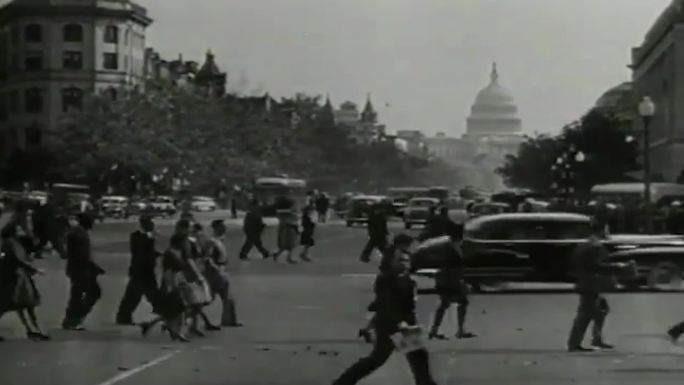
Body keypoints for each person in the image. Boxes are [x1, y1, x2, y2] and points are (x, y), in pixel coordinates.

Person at [333, 234, 438, 385]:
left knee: (416, 355)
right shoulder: (388, 277)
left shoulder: (399, 271)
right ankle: (343, 382)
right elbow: (388, 303)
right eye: (403, 260)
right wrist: (400, 323)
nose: (406, 262)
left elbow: (385, 302)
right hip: (392, 324)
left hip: (400, 321)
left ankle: (343, 382)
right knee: (382, 358)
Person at [567, 220, 631, 352]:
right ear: (601, 230)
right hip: (591, 284)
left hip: (586, 282)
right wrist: (618, 267)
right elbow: (597, 266)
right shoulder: (594, 247)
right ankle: (575, 343)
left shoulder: (584, 244)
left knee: (599, 312)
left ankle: (595, 339)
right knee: (586, 314)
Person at [416, 226, 476, 340]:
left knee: (448, 304)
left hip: (449, 279)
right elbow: (451, 265)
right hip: (449, 280)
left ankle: (436, 330)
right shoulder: (451, 249)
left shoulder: (454, 247)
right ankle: (458, 330)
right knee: (457, 303)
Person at [0, 222, 50, 341]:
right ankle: (33, 330)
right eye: (18, 230)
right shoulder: (11, 244)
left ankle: (32, 329)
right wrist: (34, 269)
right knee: (21, 303)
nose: (21, 231)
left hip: (16, 277)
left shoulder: (11, 243)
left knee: (20, 304)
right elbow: (17, 260)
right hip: (14, 278)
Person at [139, 233, 191, 342]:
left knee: (172, 311)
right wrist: (171, 286)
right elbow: (168, 272)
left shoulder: (175, 253)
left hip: (175, 282)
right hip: (171, 284)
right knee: (179, 309)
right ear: (179, 243)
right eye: (184, 242)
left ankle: (151, 325)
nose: (186, 244)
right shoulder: (170, 255)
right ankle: (178, 333)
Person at [116, 216, 161, 325]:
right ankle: (167, 314)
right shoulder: (138, 236)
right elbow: (141, 252)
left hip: (144, 271)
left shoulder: (145, 237)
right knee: (139, 295)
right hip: (140, 271)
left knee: (136, 295)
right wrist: (151, 238)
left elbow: (148, 252)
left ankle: (123, 317)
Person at [62, 213, 104, 331]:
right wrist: (94, 267)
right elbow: (82, 255)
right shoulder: (80, 234)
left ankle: (70, 320)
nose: (93, 223)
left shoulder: (76, 232)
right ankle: (76, 318)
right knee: (94, 293)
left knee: (76, 294)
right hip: (81, 269)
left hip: (75, 268)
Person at [204, 219, 243, 327]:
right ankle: (188, 317)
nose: (224, 228)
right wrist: (216, 268)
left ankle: (229, 321)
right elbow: (208, 257)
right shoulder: (211, 242)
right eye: (221, 226)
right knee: (209, 298)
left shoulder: (219, 240)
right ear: (216, 228)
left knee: (227, 297)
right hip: (215, 273)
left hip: (221, 271)